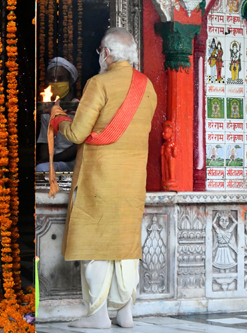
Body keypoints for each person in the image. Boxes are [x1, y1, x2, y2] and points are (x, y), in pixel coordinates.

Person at [48, 27, 157, 329]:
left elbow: (78, 133)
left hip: (99, 179)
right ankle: (125, 312)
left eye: (100, 52)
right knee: (125, 246)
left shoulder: (99, 83)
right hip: (132, 181)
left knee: (96, 246)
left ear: (106, 53)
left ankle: (97, 316)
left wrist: (58, 119)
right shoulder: (147, 86)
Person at [36, 57, 79, 172]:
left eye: (60, 79)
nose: (55, 83)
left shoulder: (79, 107)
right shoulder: (48, 110)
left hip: (75, 162)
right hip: (54, 162)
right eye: (52, 79)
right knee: (41, 169)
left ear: (70, 81)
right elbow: (45, 141)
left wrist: (49, 161)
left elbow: (77, 147)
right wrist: (45, 161)